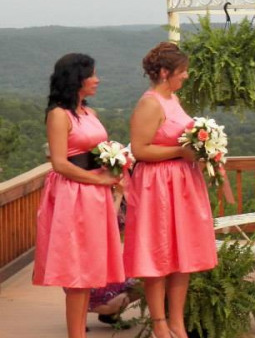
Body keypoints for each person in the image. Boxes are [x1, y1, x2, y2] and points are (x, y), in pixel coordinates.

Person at [123, 42, 218, 338]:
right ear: (165, 72)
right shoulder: (150, 103)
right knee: (158, 253)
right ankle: (160, 324)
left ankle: (177, 322)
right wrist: (180, 152)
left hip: (182, 184)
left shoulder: (173, 99)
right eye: (182, 71)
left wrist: (203, 150)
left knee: (182, 254)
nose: (186, 76)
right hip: (156, 188)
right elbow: (139, 149)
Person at [33, 53, 124, 338]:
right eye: (92, 75)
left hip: (95, 195)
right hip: (72, 196)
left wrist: (115, 167)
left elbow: (98, 150)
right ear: (77, 78)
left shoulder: (90, 113)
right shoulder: (58, 115)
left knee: (90, 270)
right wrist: (99, 181)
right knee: (77, 271)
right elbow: (59, 163)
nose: (98, 79)